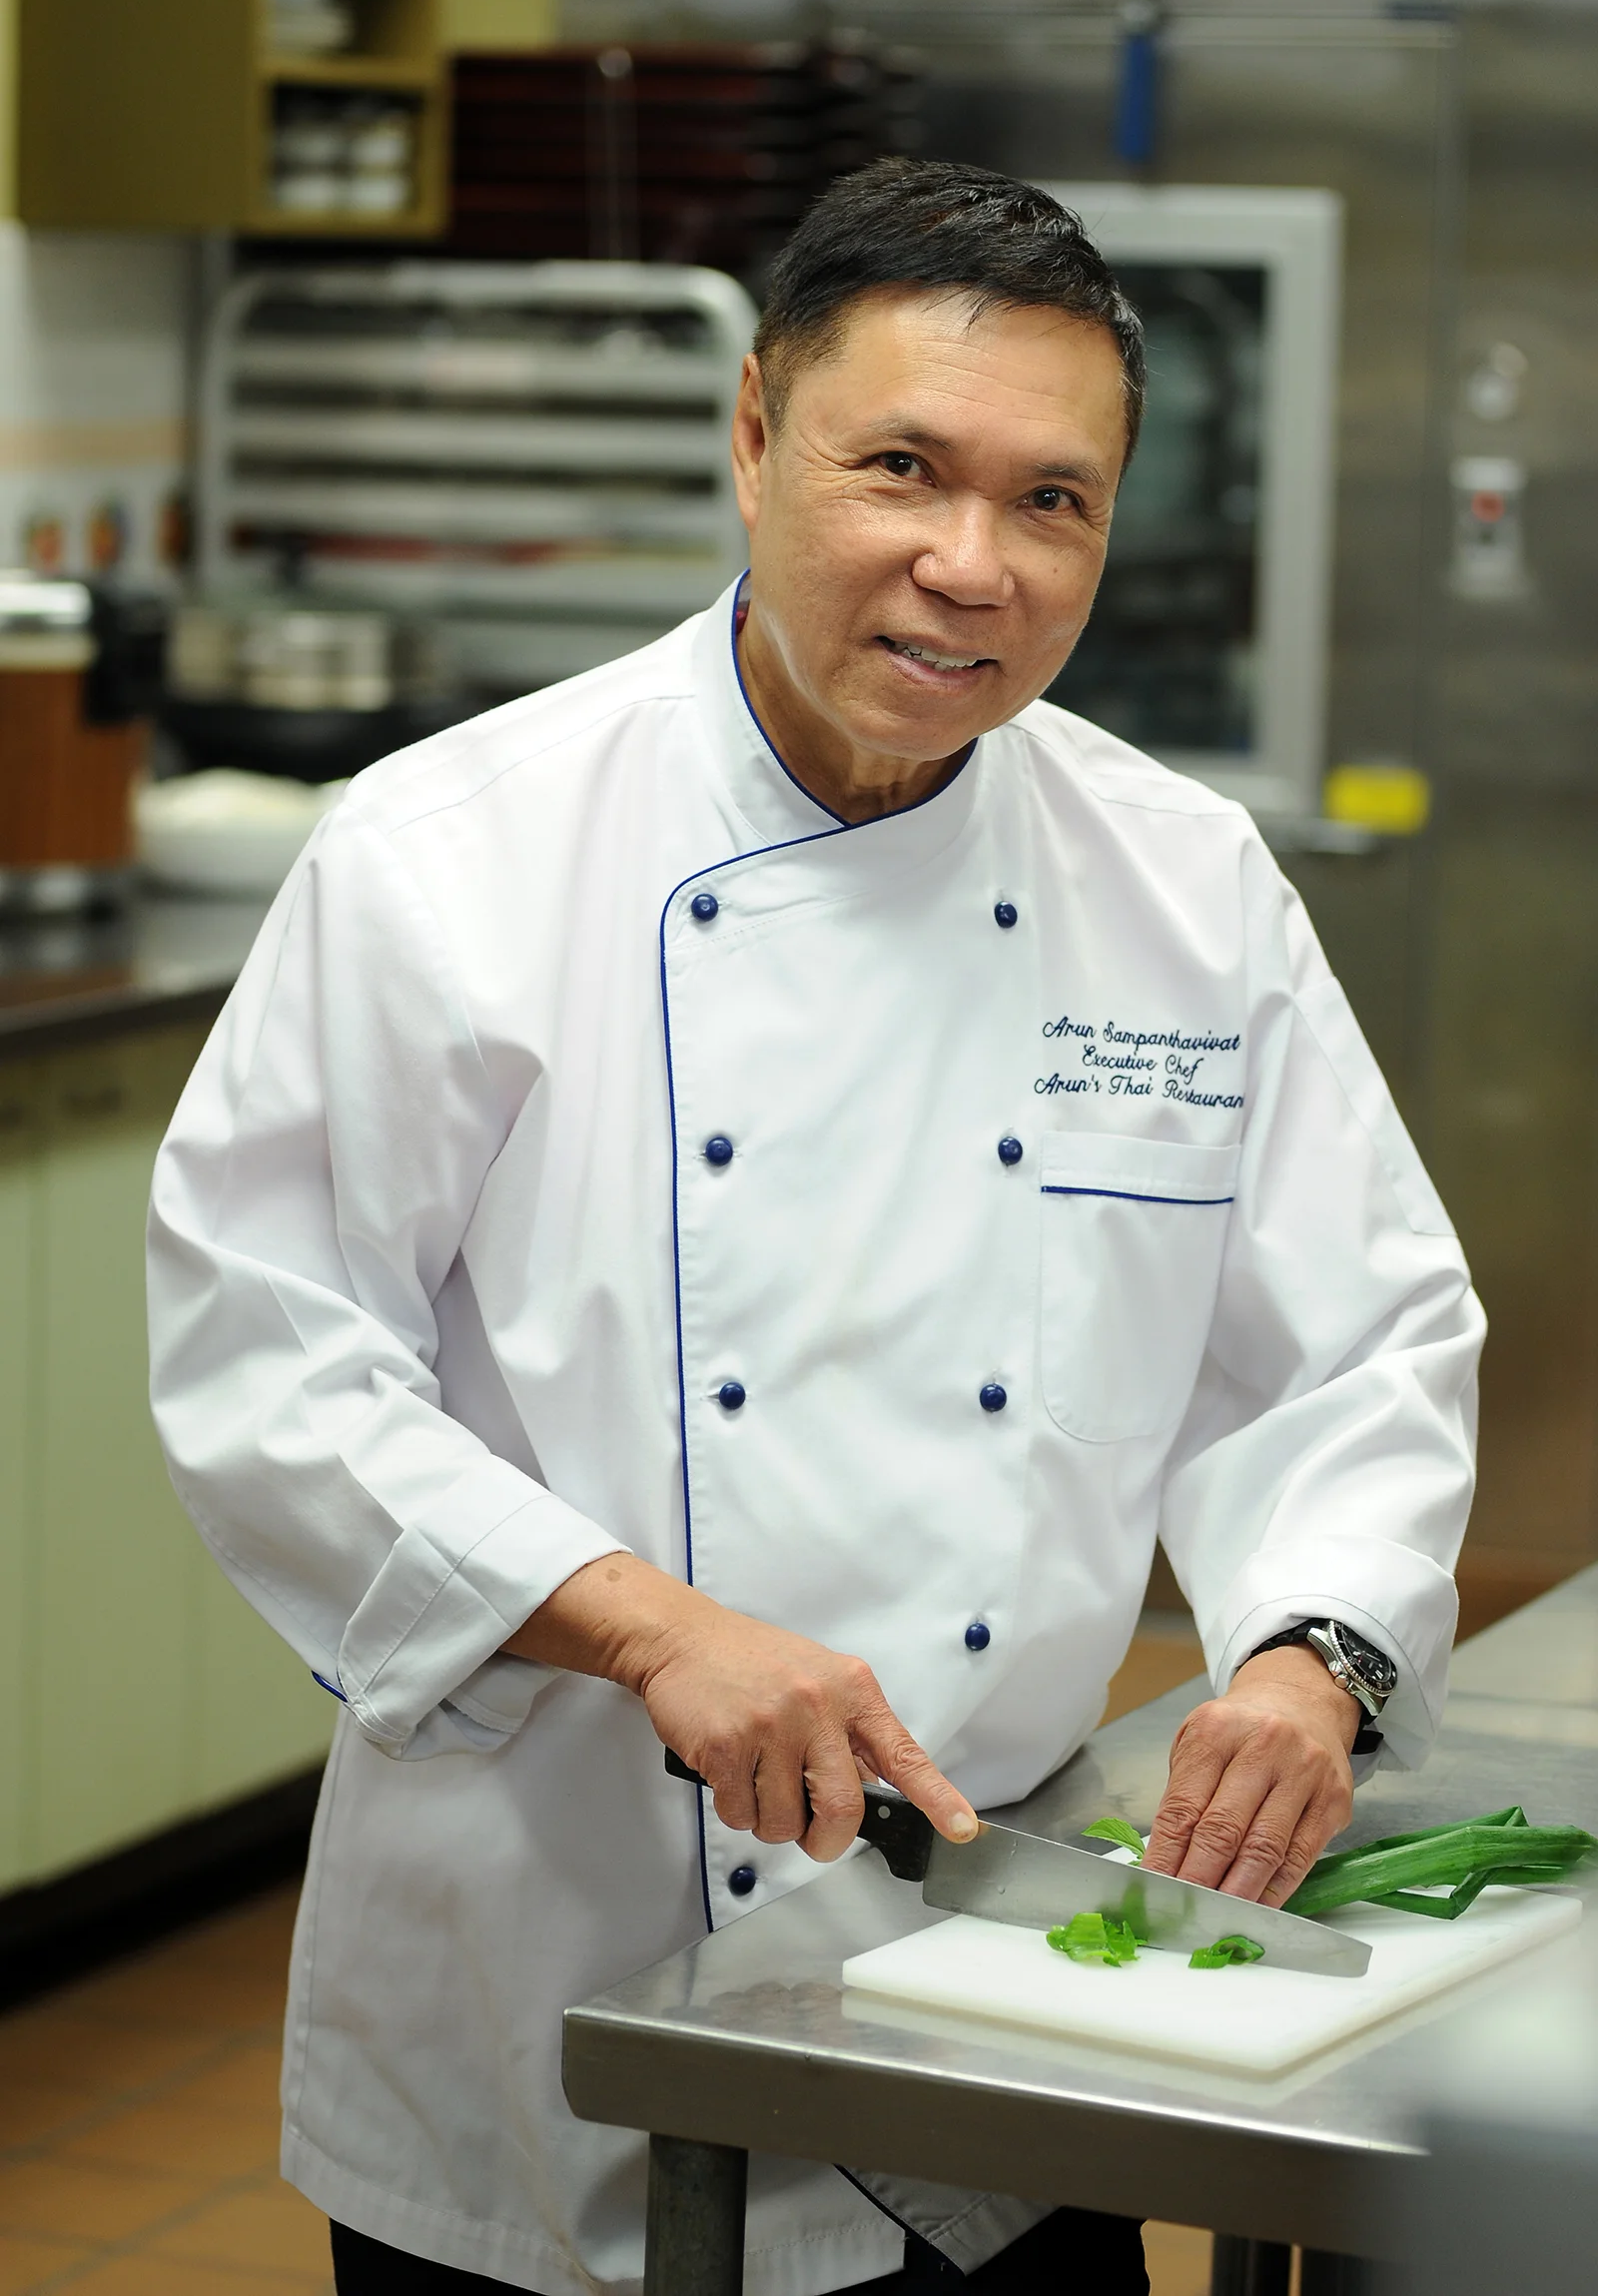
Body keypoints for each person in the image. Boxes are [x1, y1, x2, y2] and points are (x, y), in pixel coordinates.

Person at [147, 160, 1482, 2296]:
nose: (969, 566)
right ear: (751, 434)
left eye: (1051, 500)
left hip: (995, 1992)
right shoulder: (451, 858)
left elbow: (1356, 1342)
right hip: (545, 1969)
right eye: (901, 470)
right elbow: (266, 1362)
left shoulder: (1182, 885)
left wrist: (1307, 1654)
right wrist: (645, 1622)